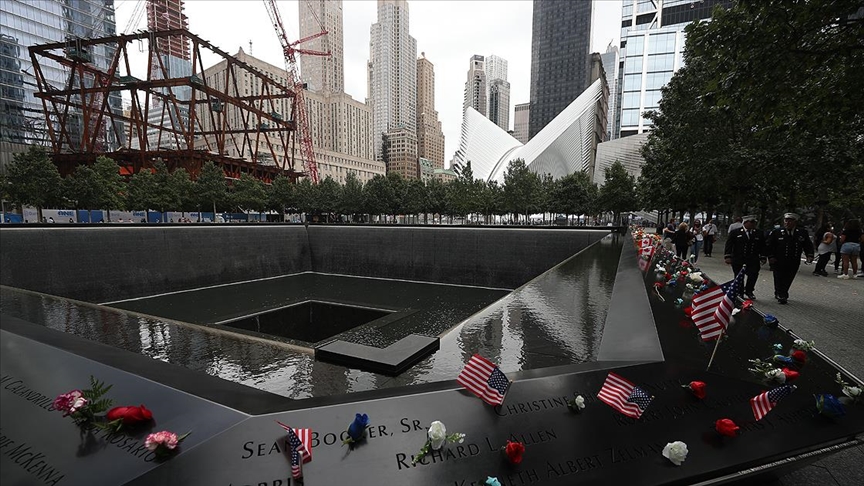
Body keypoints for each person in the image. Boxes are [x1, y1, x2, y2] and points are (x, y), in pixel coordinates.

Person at [765, 213, 814, 304]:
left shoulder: (801, 232)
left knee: (789, 277)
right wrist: (770, 256)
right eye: (786, 221)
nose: (787, 223)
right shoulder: (777, 232)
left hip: (793, 259)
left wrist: (809, 255)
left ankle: (783, 292)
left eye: (790, 221)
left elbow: (807, 245)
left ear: (795, 222)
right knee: (778, 276)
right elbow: (769, 245)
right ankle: (780, 293)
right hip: (779, 259)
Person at [724, 215, 765, 300]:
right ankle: (740, 292)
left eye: (755, 222)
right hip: (738, 258)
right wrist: (727, 256)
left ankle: (749, 291)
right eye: (752, 222)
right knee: (739, 276)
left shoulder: (758, 233)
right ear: (745, 222)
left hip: (752, 259)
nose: (754, 224)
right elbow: (729, 245)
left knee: (753, 275)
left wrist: (763, 256)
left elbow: (762, 246)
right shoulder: (735, 232)